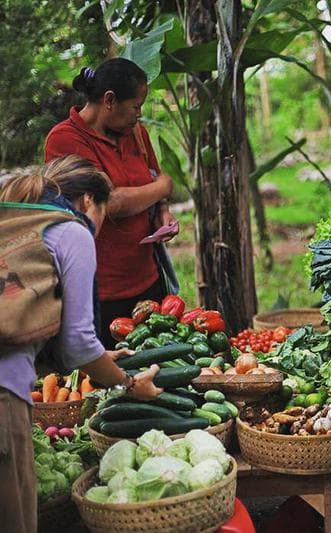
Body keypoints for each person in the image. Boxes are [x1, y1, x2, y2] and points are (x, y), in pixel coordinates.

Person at [0, 155, 162, 533]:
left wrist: (97, 357)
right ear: (89, 201)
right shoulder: (69, 230)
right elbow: (78, 345)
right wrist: (129, 383)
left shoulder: (13, 221)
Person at [44, 58, 177, 348]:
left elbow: (151, 177)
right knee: (105, 383)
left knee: (155, 374)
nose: (139, 115)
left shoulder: (136, 134)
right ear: (109, 100)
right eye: (135, 106)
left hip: (146, 282)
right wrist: (164, 186)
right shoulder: (64, 140)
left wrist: (162, 212)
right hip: (98, 293)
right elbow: (109, 201)